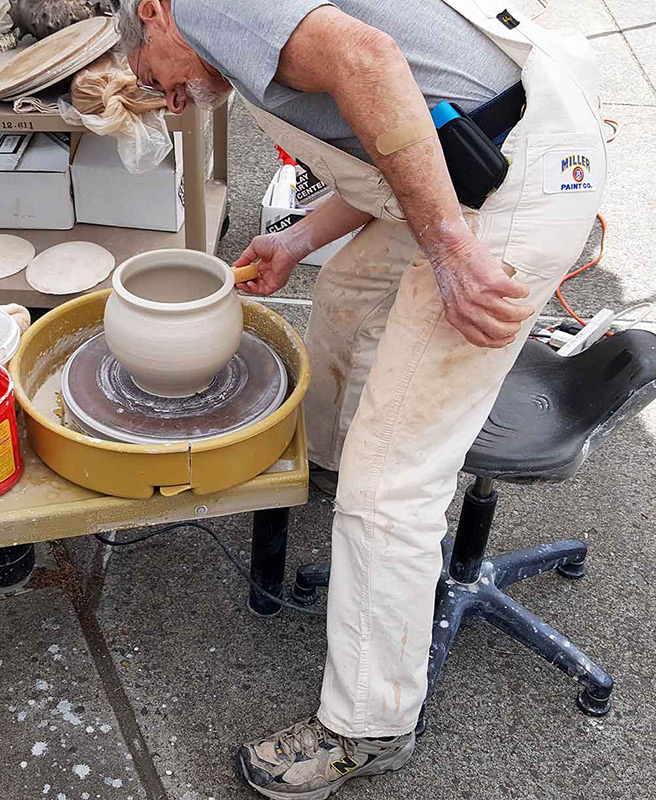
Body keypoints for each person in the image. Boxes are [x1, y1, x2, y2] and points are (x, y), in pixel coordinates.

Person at [115, 1, 607, 797]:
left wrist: (450, 248)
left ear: (153, 13)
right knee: (347, 292)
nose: (169, 100)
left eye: (152, 80)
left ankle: (369, 726)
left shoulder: (205, 4)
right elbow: (395, 130)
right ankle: (328, 476)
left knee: (395, 480)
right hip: (475, 147)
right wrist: (299, 238)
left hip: (515, 181)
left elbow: (369, 64)